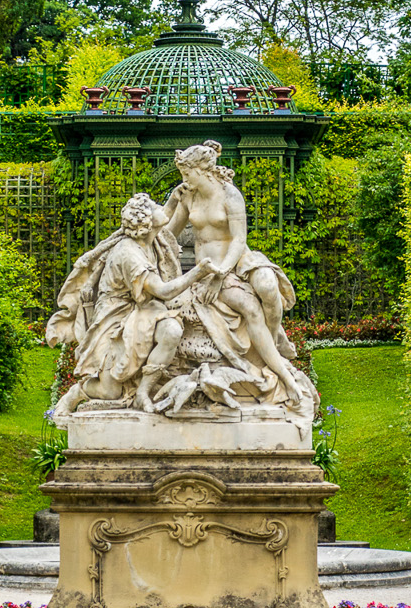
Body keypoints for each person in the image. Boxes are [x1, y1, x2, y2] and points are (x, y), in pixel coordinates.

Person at [158, 143, 309, 413]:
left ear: (202, 170)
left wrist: (222, 274)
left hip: (236, 261)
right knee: (250, 308)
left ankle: (273, 346)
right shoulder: (188, 196)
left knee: (267, 285)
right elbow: (167, 235)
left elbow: (239, 239)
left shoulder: (229, 194)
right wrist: (171, 202)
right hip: (208, 270)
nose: (184, 179)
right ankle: (281, 374)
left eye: (187, 173)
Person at [46, 194, 198, 416]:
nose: (162, 208)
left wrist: (177, 198)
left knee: (172, 330)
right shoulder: (128, 253)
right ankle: (76, 392)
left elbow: (166, 216)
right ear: (145, 221)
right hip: (116, 317)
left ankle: (143, 393)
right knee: (109, 391)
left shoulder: (154, 239)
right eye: (156, 206)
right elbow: (163, 291)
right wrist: (199, 272)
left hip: (145, 309)